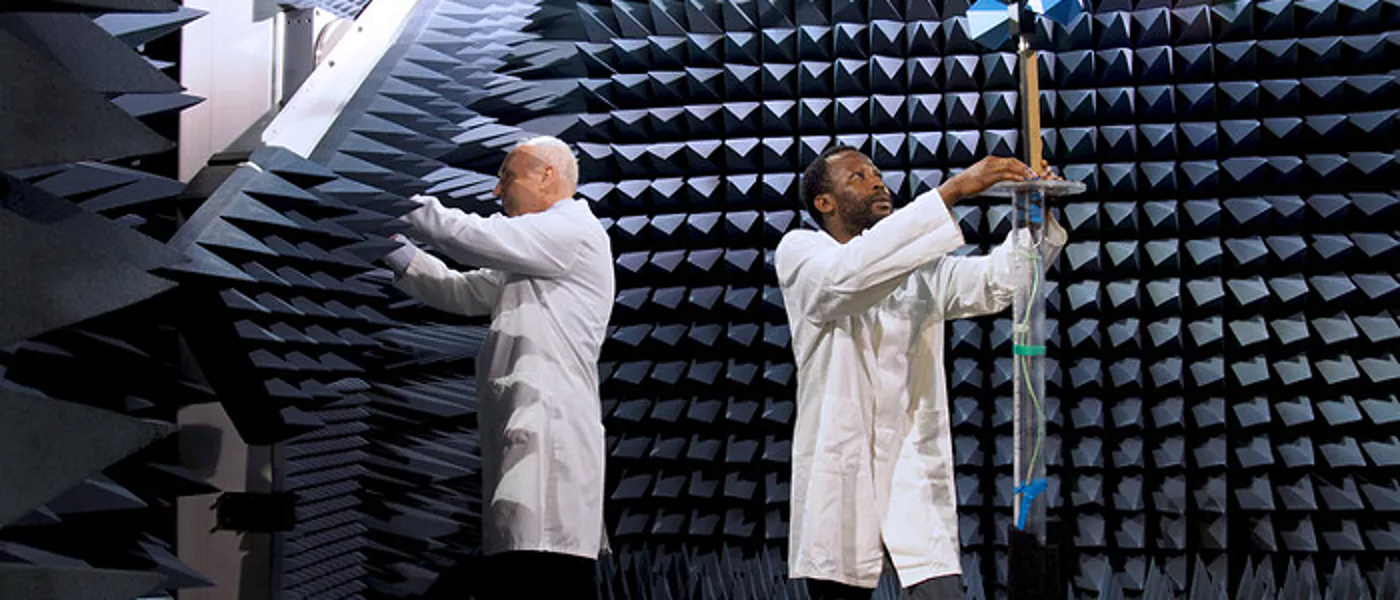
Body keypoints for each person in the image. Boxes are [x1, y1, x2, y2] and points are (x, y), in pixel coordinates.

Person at [776, 147, 1067, 600]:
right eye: (858, 177)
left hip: (909, 468)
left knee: (940, 590)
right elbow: (843, 281)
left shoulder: (918, 268)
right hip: (842, 469)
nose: (877, 182)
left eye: (877, 173)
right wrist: (952, 192)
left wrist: (1036, 217)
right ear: (824, 203)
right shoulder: (801, 251)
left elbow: (997, 283)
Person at [382, 136, 613, 599]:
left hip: (550, 446)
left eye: (506, 176)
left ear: (546, 175)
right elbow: (461, 290)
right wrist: (393, 247)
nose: (496, 190)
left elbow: (473, 237)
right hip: (526, 442)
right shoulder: (534, 256)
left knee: (540, 571)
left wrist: (391, 200)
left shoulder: (572, 231)